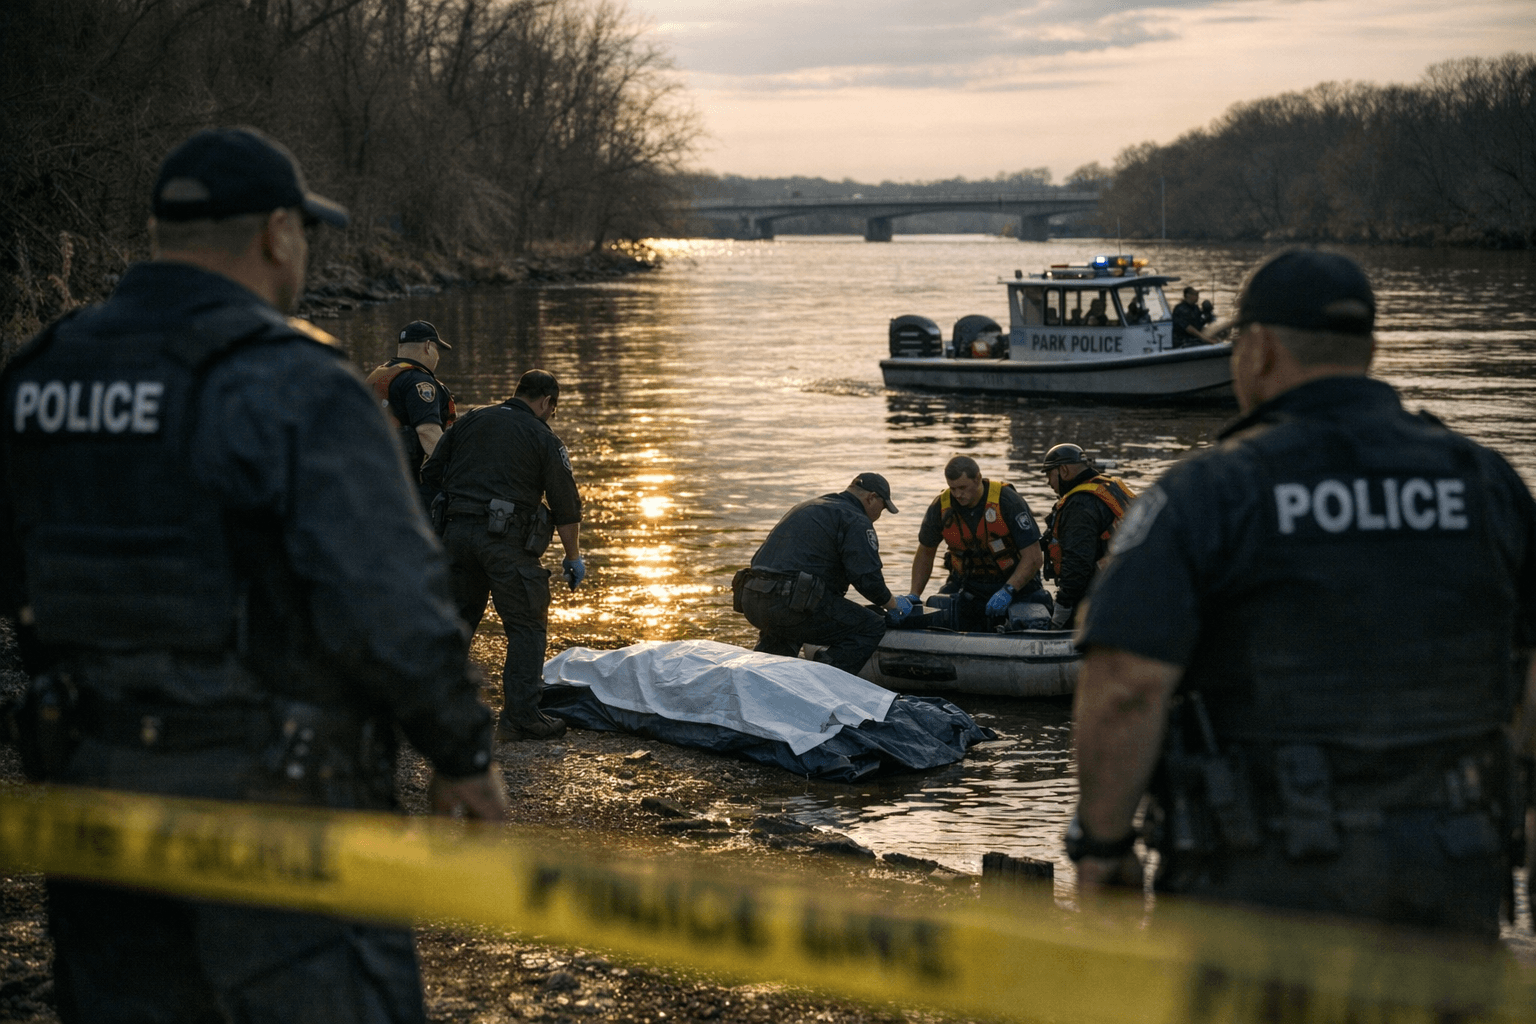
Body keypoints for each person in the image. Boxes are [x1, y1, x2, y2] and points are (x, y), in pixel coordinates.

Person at [0, 126, 507, 1023]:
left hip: (93, 799)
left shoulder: (41, 374)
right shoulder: (293, 381)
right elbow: (386, 594)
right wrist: (461, 751)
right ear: (278, 232)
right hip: (277, 809)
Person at [1068, 249, 1536, 941]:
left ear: (1256, 350)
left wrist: (1103, 849)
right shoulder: (1487, 482)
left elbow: (1126, 685)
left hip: (1258, 884)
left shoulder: (1208, 494)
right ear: (1370, 349)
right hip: (1449, 876)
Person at [421, 369, 582, 742]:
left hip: (456, 536)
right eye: (552, 409)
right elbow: (565, 505)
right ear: (546, 402)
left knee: (456, 623)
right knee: (526, 627)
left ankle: (438, 709)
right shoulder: (544, 438)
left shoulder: (471, 420)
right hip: (507, 543)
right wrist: (572, 556)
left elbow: (430, 475)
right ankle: (520, 717)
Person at [734, 473, 911, 674]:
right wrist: (893, 604)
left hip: (753, 598)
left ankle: (762, 680)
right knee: (871, 626)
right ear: (871, 498)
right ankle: (822, 681)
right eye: (883, 507)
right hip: (789, 602)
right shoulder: (855, 519)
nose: (881, 514)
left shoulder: (809, 506)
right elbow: (866, 578)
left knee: (786, 631)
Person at [904, 456, 1052, 632]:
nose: (958, 494)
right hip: (968, 585)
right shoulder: (941, 507)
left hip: (1016, 586)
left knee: (1032, 618)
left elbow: (1034, 557)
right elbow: (925, 553)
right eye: (953, 488)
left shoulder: (1007, 502)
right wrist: (914, 594)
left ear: (977, 478)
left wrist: (1008, 590)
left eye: (963, 488)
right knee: (937, 608)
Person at [1040, 443, 1134, 629]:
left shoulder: (1080, 505)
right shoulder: (1110, 487)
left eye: (1049, 475)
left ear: (1064, 470)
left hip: (1100, 597)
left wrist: (1062, 608)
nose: (1049, 482)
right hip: (1129, 586)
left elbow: (1077, 564)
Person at [365, 320, 456, 508]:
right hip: (409, 486)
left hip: (373, 475)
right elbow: (428, 432)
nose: (437, 357)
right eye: (437, 351)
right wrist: (458, 468)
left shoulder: (379, 375)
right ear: (428, 346)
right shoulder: (420, 382)